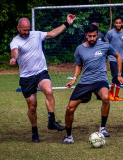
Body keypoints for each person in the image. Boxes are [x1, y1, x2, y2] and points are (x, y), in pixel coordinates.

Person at [9, 14, 76, 143]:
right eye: (24, 30)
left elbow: (52, 34)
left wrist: (67, 23)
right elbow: (15, 51)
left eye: (28, 29)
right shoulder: (15, 41)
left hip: (40, 72)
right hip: (26, 77)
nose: (27, 32)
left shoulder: (36, 34)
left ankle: (51, 121)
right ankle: (34, 132)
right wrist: (13, 58)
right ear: (18, 28)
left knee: (49, 91)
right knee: (32, 106)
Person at [61, 24, 123, 144]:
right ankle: (68, 136)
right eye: (90, 36)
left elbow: (118, 56)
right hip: (85, 82)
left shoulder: (105, 46)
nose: (92, 38)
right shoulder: (79, 49)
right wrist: (74, 78)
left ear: (97, 35)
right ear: (86, 35)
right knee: (70, 108)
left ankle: (103, 128)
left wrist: (119, 75)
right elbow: (79, 65)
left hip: (100, 80)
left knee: (106, 97)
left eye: (94, 36)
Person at [104, 16, 123, 101]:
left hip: (122, 59)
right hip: (112, 58)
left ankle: (116, 96)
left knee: (121, 77)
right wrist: (105, 56)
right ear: (114, 23)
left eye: (119, 23)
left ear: (122, 23)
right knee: (115, 76)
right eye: (116, 23)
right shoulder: (110, 33)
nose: (118, 24)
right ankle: (111, 93)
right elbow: (106, 45)